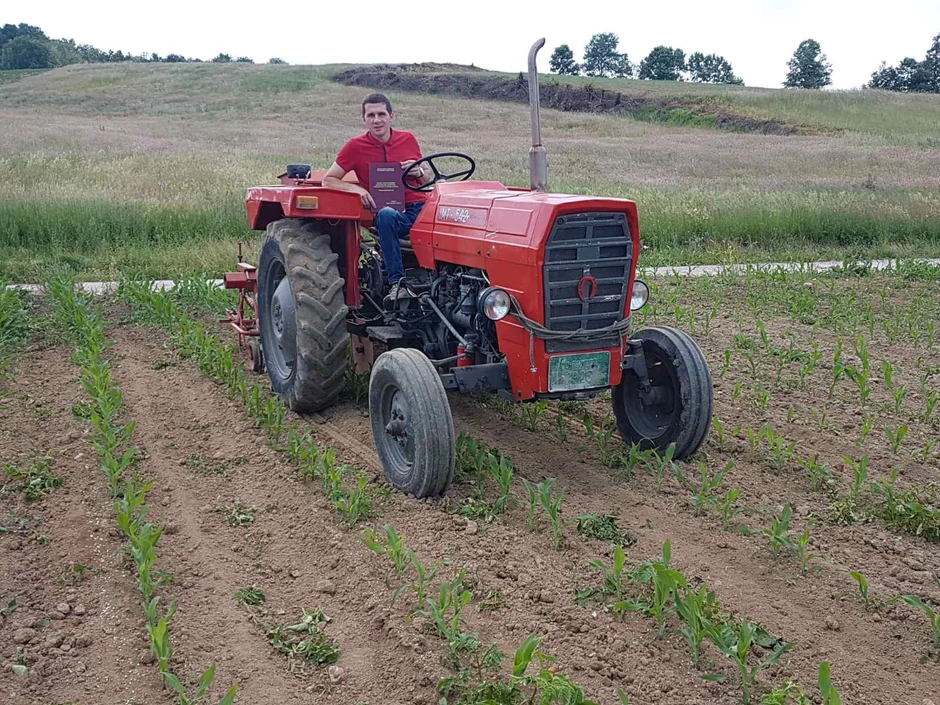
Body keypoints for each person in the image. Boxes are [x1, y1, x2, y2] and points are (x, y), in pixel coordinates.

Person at [322, 93, 432, 302]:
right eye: (371, 115)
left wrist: (417, 172)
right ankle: (397, 284)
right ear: (364, 119)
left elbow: (426, 176)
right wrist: (359, 190)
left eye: (381, 114)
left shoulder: (408, 139)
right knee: (386, 215)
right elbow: (329, 180)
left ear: (392, 116)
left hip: (420, 208)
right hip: (391, 214)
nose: (377, 120)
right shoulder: (355, 146)